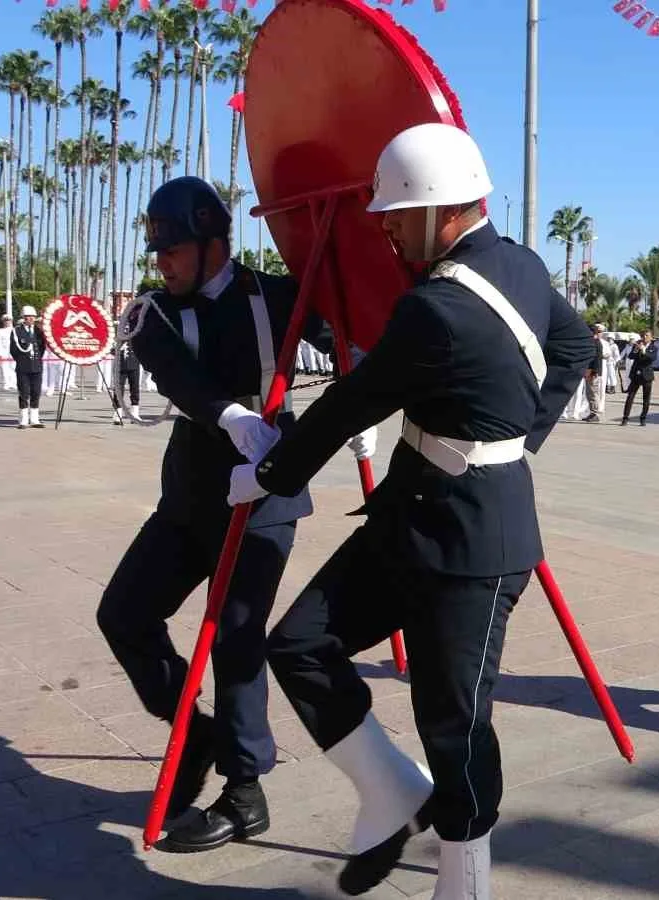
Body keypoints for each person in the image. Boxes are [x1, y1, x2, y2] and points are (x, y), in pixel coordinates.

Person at [233, 123, 592, 899]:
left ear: (444, 212)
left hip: (475, 543)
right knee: (299, 646)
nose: (387, 227)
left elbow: (350, 404)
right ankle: (392, 790)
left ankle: (465, 882)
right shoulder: (524, 266)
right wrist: (519, 436)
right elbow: (574, 346)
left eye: (398, 213)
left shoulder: (437, 306)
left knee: (454, 724)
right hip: (412, 516)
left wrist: (269, 470)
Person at [96, 176, 349, 854]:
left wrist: (356, 392)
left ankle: (245, 786)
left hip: (268, 485)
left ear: (213, 243)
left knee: (237, 635)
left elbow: (346, 337)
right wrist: (232, 416)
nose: (162, 264)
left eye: (173, 250)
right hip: (192, 488)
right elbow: (177, 374)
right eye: (158, 253)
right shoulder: (151, 311)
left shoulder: (277, 295)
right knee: (122, 613)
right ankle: (196, 732)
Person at [8, 306, 47, 429]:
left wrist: (36, 361)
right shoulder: (17, 331)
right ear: (23, 318)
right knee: (24, 393)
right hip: (23, 367)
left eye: (32, 317)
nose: (30, 319)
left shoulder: (38, 331)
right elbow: (13, 350)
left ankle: (35, 419)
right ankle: (23, 420)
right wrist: (23, 361)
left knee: (36, 392)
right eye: (28, 317)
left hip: (36, 366)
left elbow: (42, 348)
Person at [621, 330, 656, 426]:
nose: (644, 337)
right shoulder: (637, 345)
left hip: (647, 375)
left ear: (651, 338)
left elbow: (651, 359)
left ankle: (643, 418)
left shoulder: (653, 348)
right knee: (630, 396)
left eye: (647, 335)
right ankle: (625, 418)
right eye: (643, 335)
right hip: (636, 374)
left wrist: (644, 350)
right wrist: (636, 349)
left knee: (646, 398)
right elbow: (631, 356)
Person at [0, 314, 16, 391]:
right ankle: (6, 383)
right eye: (5, 321)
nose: (7, 322)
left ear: (11, 321)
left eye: (9, 320)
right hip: (4, 351)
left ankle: (13, 383)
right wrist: (0, 352)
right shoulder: (0, 331)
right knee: (4, 368)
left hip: (13, 351)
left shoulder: (15, 330)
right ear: (3, 322)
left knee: (13, 367)